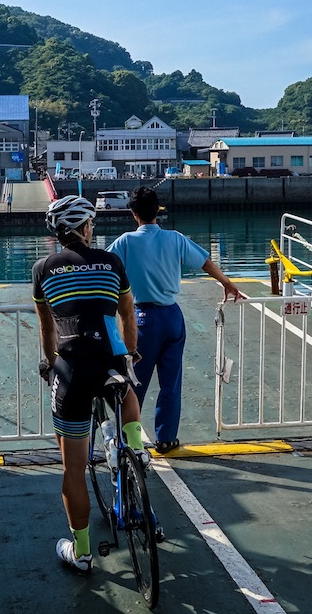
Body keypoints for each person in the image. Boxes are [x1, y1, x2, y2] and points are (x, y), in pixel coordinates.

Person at [32, 195, 148, 573]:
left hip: (72, 369)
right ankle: (134, 448)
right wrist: (129, 353)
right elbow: (128, 312)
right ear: (84, 228)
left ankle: (81, 552)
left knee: (73, 471)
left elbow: (47, 326)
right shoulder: (112, 261)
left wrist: (50, 365)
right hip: (110, 360)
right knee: (127, 389)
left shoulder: (43, 268)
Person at [107, 186, 245, 454]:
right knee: (171, 382)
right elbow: (205, 262)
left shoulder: (125, 242)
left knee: (134, 383)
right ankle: (166, 439)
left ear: (133, 214)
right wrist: (226, 282)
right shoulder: (175, 239)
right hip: (172, 316)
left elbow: (106, 266)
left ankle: (129, 441)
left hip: (141, 319)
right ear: (157, 210)